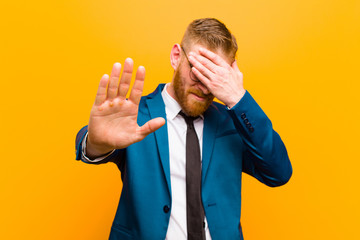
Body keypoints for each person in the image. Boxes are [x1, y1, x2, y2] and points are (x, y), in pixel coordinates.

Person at [75, 18, 292, 240]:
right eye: (198, 70)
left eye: (216, 76)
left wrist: (239, 99)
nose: (205, 86)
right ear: (176, 56)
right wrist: (95, 144)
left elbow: (278, 172)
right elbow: (95, 141)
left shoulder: (233, 122)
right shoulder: (135, 117)